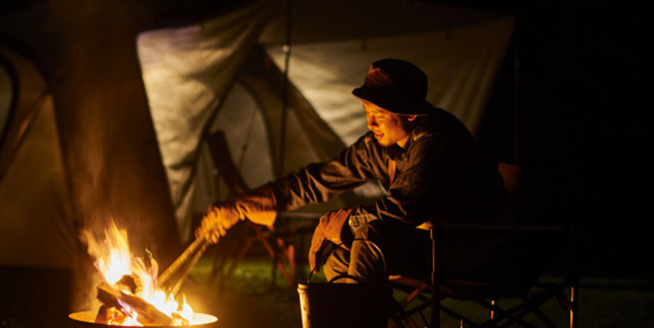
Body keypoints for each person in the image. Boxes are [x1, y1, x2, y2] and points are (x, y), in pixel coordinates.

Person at [196, 58, 510, 285]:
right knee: (337, 257)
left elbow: (403, 211)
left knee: (370, 237)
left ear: (412, 114)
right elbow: (317, 181)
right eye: (367, 113)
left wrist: (345, 221)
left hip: (474, 249)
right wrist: (239, 207)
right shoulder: (378, 145)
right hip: (430, 245)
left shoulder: (436, 139)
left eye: (380, 115)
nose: (370, 123)